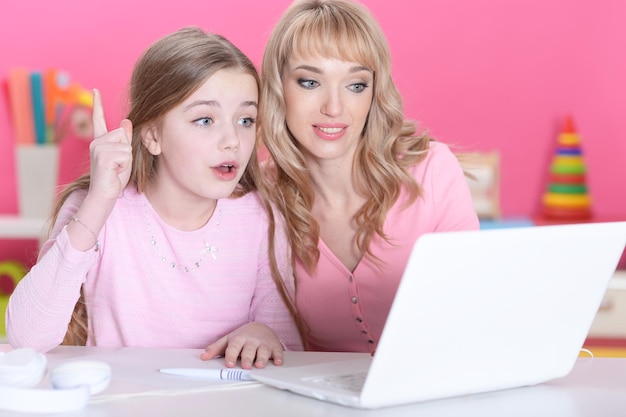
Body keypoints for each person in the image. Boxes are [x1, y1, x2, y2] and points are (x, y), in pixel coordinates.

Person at [7, 27, 302, 369]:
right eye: (205, 120)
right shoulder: (98, 209)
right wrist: (99, 202)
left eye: (246, 120)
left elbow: (285, 343)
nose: (232, 140)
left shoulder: (262, 218)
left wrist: (265, 334)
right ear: (152, 136)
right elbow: (27, 337)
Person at [259, 0, 480, 353]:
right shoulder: (262, 198)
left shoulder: (433, 171)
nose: (334, 107)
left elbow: (474, 307)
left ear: (374, 93)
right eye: (310, 81)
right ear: (278, 87)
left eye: (356, 85)